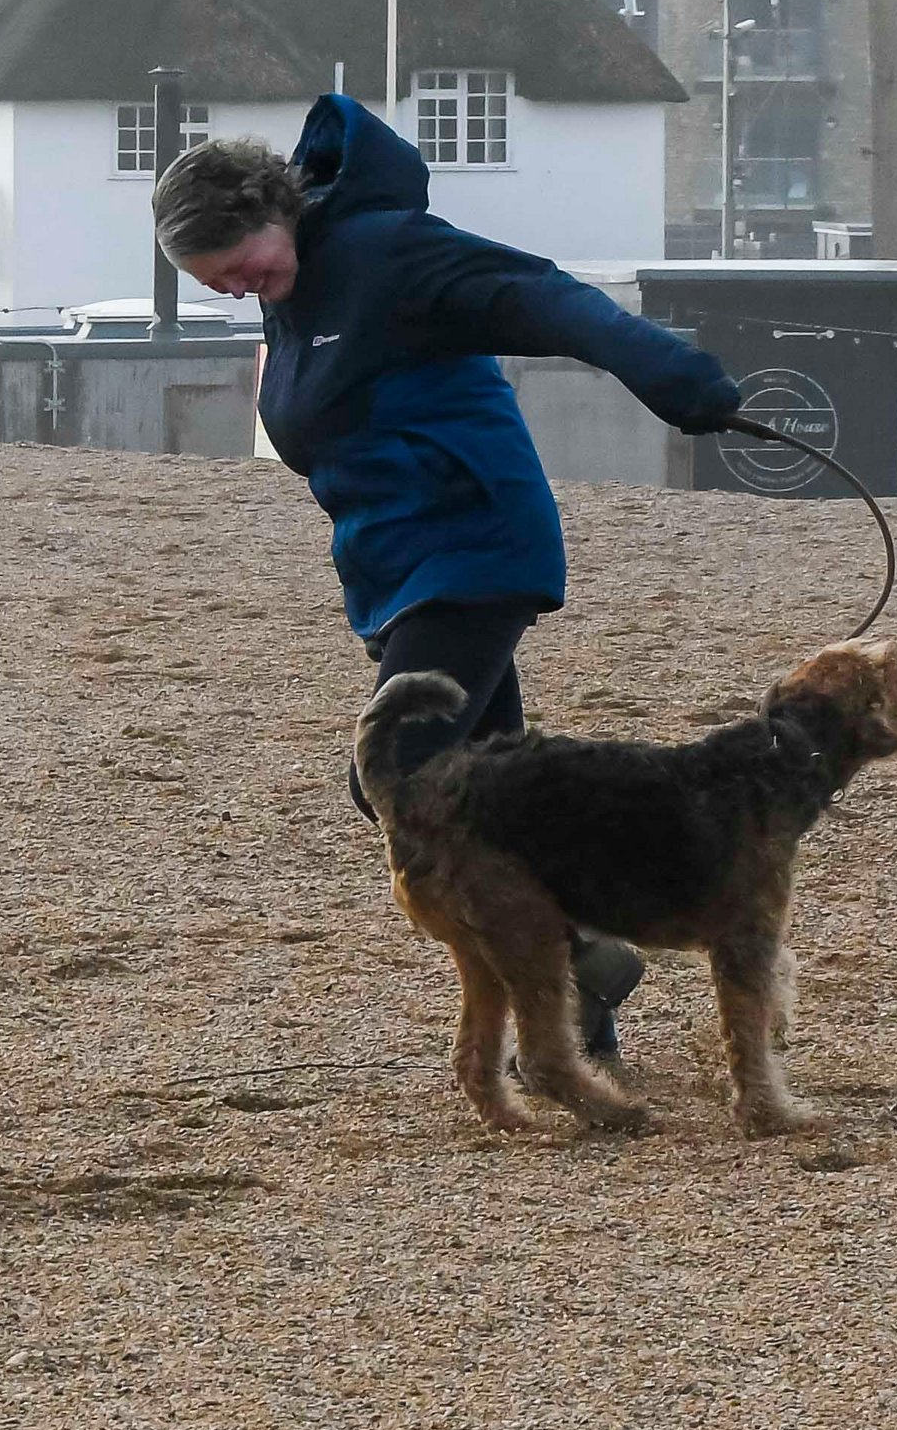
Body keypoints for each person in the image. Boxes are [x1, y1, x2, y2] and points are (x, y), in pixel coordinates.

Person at [154, 93, 745, 1056]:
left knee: (393, 770)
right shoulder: (291, 293)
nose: (239, 289)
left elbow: (548, 298)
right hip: (394, 574)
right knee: (499, 791)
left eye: (238, 266)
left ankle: (577, 960)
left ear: (273, 212)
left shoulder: (390, 251)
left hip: (474, 547)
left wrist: (678, 381)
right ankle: (585, 990)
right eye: (218, 284)